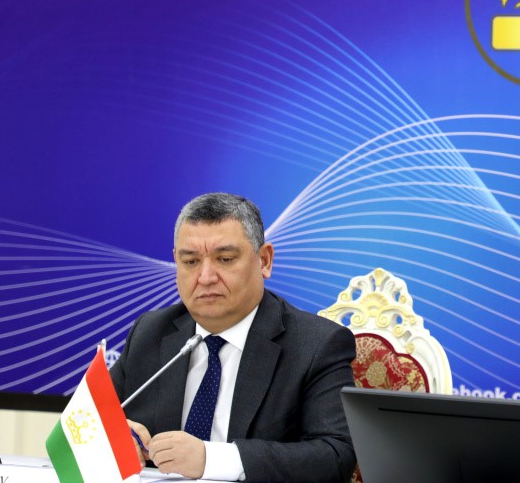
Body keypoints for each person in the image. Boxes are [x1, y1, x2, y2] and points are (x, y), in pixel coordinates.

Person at [110, 193, 357, 483]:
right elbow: (85, 422)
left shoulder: (316, 345)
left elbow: (335, 455)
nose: (205, 277)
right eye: (190, 261)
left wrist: (212, 459)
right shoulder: (151, 331)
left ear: (264, 260)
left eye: (225, 259)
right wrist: (112, 437)